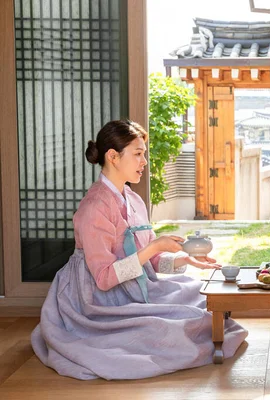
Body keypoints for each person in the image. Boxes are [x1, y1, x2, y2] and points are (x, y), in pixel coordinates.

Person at [31, 120, 247, 380]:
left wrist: (185, 260)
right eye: (137, 154)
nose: (144, 161)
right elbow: (104, 278)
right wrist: (154, 246)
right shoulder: (93, 207)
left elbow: (151, 261)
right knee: (175, 327)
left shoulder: (133, 199)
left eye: (143, 154)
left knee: (201, 298)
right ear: (113, 156)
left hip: (135, 285)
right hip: (96, 299)